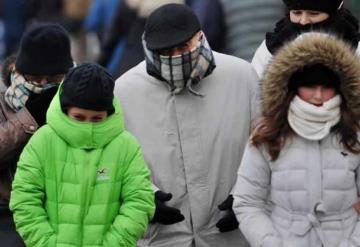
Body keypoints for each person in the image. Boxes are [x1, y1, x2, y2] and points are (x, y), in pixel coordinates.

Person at [114, 4, 259, 247]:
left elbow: (266, 146)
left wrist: (247, 197)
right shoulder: (124, 92)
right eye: (165, 51)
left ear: (200, 37)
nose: (176, 57)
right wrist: (143, 196)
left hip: (230, 235)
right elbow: (112, 160)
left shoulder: (242, 77)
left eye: (183, 47)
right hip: (162, 237)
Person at [233, 32, 360, 247]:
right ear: (291, 86)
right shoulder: (267, 134)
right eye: (310, 86)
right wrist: (270, 243)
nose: (319, 96)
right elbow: (247, 201)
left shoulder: (354, 133)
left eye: (327, 87)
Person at [10, 62, 155, 247]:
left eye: (96, 119)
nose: (87, 126)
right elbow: (24, 199)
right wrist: (47, 244)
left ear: (108, 114)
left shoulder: (126, 146)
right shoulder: (43, 141)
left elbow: (140, 201)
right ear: (65, 109)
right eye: (79, 117)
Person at [0, 22, 73, 247]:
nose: (42, 85)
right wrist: (28, 119)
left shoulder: (80, 93)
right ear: (18, 71)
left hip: (65, 212)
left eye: (53, 79)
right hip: (7, 215)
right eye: (34, 77)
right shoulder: (3, 97)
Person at [252, 0, 360, 78]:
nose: (303, 21)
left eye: (314, 13)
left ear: (333, 13)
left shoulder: (356, 47)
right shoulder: (270, 49)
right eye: (297, 13)